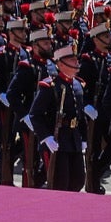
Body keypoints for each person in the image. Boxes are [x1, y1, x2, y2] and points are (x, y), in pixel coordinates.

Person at [30, 41, 88, 191]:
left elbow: (80, 115)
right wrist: (46, 137)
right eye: (71, 60)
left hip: (73, 139)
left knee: (78, 180)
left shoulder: (78, 84)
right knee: (60, 182)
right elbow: (35, 114)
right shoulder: (50, 86)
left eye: (76, 59)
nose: (76, 63)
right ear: (60, 64)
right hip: (57, 139)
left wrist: (84, 138)